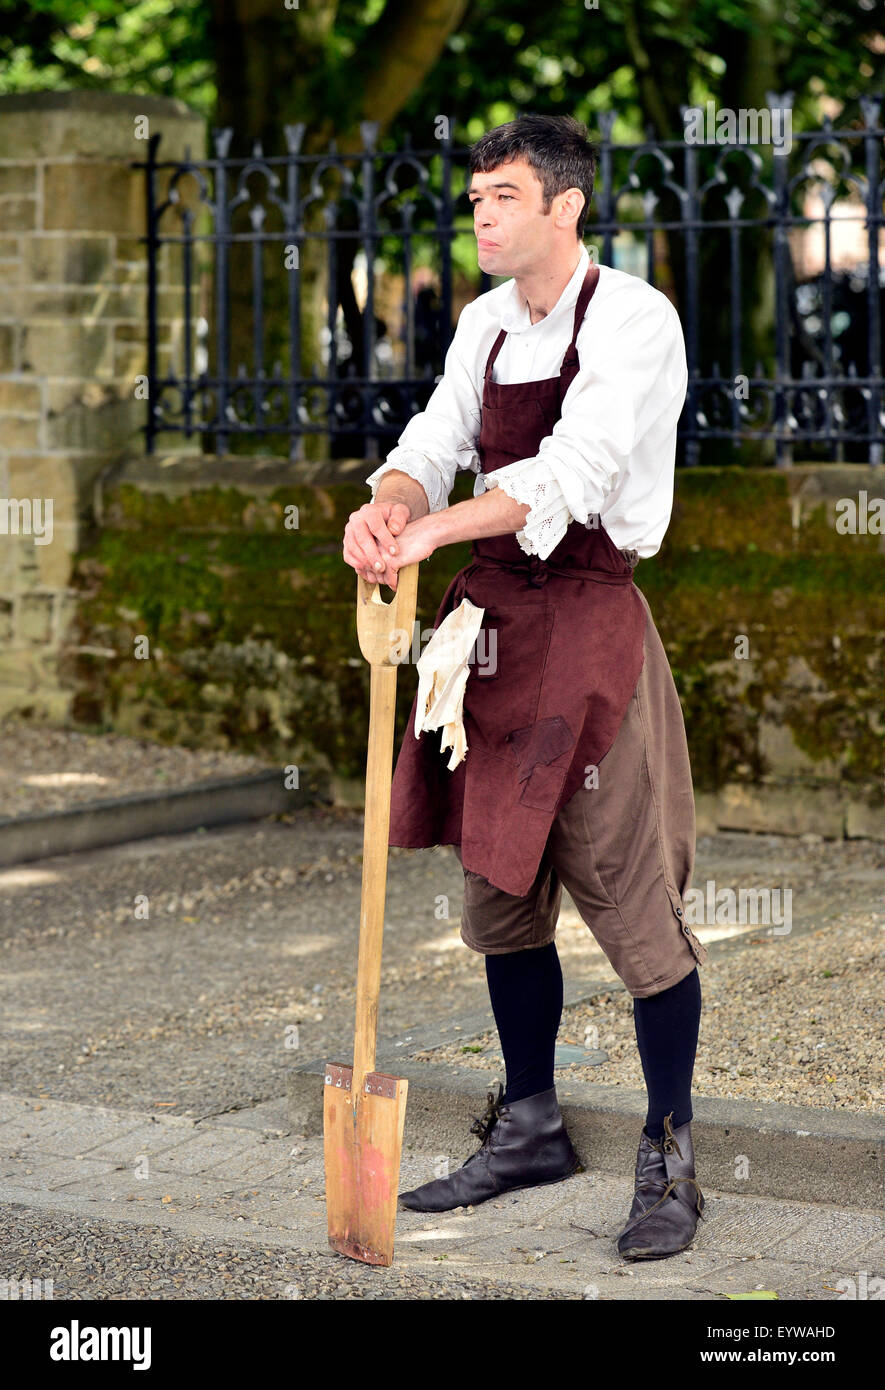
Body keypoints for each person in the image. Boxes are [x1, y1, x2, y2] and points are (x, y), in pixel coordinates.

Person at [341, 113, 707, 1261]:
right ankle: (533, 1121)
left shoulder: (638, 319)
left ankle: (673, 1156)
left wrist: (435, 527)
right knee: (499, 893)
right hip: (491, 628)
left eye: (504, 195)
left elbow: (573, 470)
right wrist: (391, 506)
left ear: (566, 204)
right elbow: (434, 437)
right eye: (477, 195)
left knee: (629, 893)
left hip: (592, 626)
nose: (482, 213)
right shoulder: (483, 324)